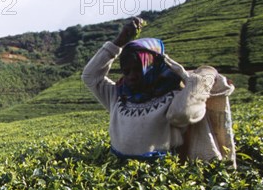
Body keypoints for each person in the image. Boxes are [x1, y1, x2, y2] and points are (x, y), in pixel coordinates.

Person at [81, 17, 227, 161]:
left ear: (153, 67)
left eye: (138, 70)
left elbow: (183, 114)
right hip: (120, 172)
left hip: (158, 174)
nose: (131, 76)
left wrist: (189, 79)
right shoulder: (118, 96)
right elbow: (90, 76)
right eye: (127, 71)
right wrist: (119, 42)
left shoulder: (174, 96)